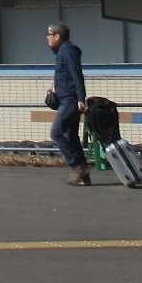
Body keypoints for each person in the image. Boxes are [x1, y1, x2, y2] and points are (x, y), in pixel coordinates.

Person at [46, 22, 89, 186]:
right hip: (66, 98)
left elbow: (76, 74)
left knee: (56, 133)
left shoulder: (68, 51)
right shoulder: (61, 52)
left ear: (57, 36)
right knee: (71, 136)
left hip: (70, 100)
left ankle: (76, 166)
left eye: (49, 35)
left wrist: (80, 98)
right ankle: (84, 173)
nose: (47, 38)